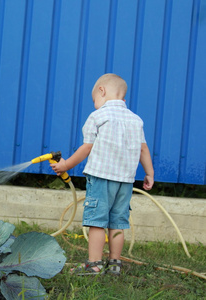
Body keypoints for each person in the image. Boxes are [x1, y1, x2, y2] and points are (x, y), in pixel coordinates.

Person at [51, 73, 154, 276]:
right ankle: (114, 264)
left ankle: (94, 265)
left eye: (94, 100)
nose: (95, 104)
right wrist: (149, 173)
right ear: (123, 98)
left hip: (101, 178)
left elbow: (86, 148)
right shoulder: (136, 119)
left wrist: (66, 165)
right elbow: (143, 149)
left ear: (102, 91)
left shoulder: (97, 116)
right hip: (125, 182)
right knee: (117, 223)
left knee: (97, 221)